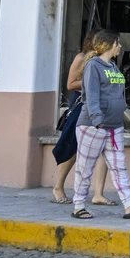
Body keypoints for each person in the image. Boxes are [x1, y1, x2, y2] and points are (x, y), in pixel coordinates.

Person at [71, 30, 130, 220]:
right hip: (94, 125)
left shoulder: (113, 67)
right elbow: (91, 95)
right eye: (118, 43)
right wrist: (98, 120)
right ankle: (78, 206)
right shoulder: (93, 65)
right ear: (108, 44)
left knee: (119, 167)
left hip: (114, 126)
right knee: (85, 167)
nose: (120, 46)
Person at [50, 29, 114, 207]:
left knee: (104, 148)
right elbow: (70, 84)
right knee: (73, 148)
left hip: (101, 106)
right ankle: (58, 186)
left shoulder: (105, 61)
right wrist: (93, 81)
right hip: (81, 106)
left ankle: (98, 193)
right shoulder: (81, 58)